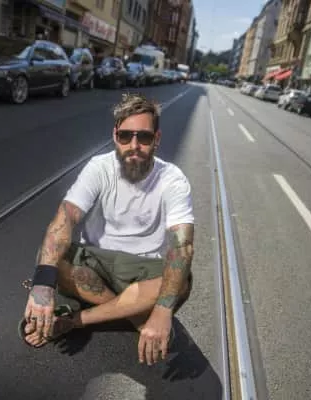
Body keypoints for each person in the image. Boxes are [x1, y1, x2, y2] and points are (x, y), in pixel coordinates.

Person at [20, 93, 195, 366]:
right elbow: (65, 218)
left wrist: (162, 310)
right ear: (115, 136)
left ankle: (76, 320)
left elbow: (181, 246)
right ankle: (133, 314)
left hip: (144, 270)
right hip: (96, 263)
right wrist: (42, 285)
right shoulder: (99, 167)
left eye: (144, 137)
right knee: (50, 256)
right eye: (125, 136)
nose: (134, 145)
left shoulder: (173, 179)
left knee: (180, 280)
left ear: (157, 139)